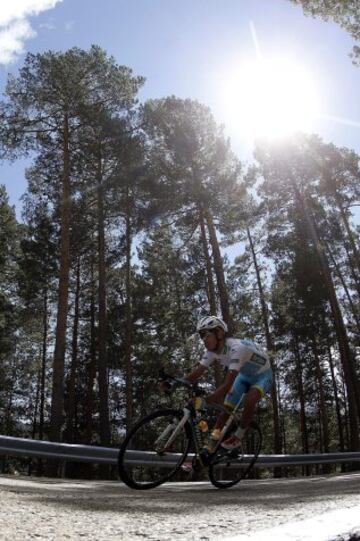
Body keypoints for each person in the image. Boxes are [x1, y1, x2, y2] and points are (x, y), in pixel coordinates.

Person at [182, 315, 273, 456]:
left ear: (219, 333)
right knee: (225, 411)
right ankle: (211, 445)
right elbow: (196, 373)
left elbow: (227, 385)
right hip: (244, 376)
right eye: (201, 336)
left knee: (250, 399)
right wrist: (175, 382)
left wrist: (208, 400)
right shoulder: (211, 352)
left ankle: (238, 436)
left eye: (206, 335)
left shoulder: (237, 348)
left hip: (263, 375)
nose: (203, 339)